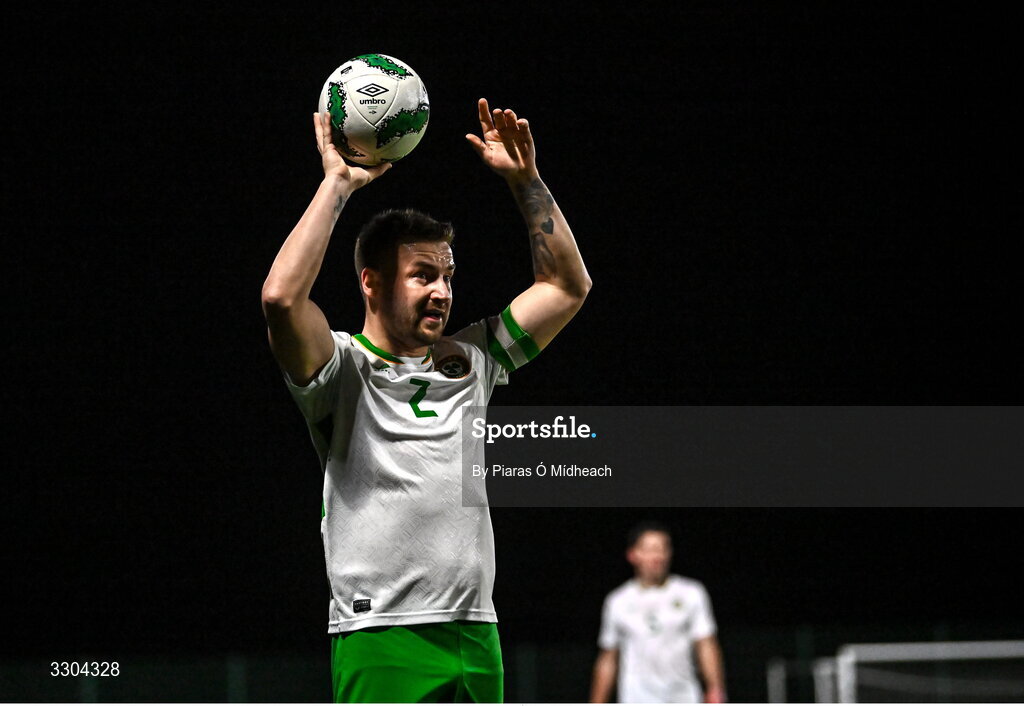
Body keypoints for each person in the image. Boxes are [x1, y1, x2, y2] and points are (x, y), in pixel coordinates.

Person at [261, 98, 591, 703]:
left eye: (447, 275)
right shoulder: (340, 368)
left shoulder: (473, 357)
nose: (442, 291)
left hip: (474, 629)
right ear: (371, 282)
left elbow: (567, 287)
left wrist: (527, 182)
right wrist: (338, 183)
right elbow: (281, 299)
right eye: (422, 274)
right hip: (380, 632)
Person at [590, 522, 727, 704]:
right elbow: (608, 658)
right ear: (633, 555)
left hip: (683, 697)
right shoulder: (618, 601)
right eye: (649, 549)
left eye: (662, 549)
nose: (657, 556)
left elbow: (706, 644)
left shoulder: (692, 592)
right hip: (637, 699)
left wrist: (715, 689)